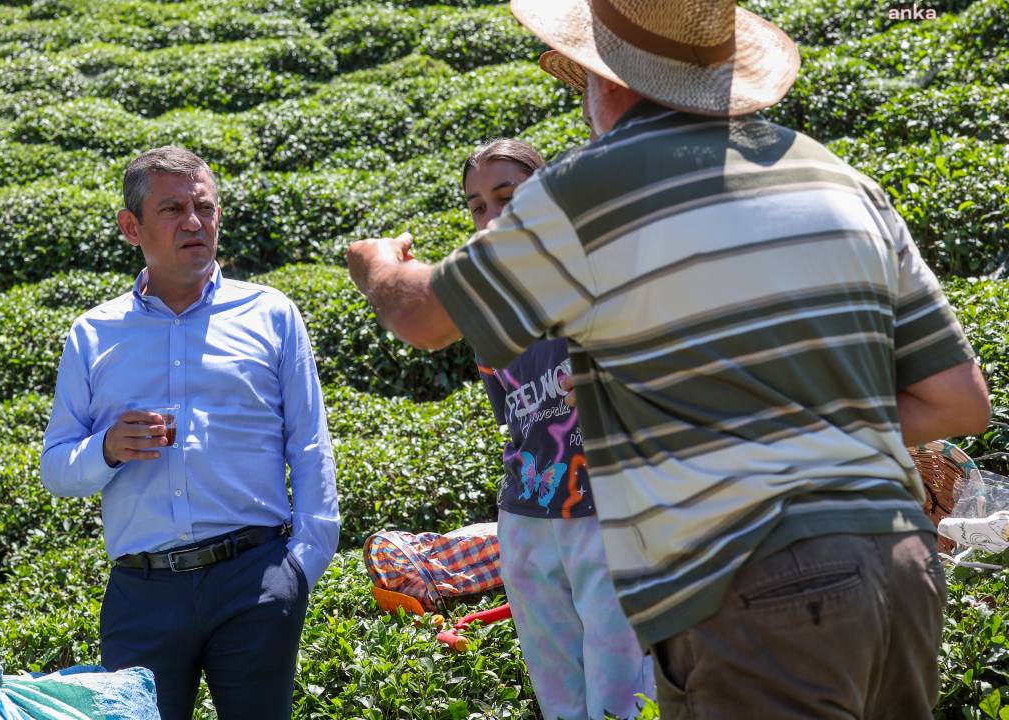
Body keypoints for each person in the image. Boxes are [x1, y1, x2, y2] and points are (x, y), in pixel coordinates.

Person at [346, 1, 991, 717]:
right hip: (901, 565)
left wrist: (377, 267)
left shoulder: (592, 189)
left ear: (607, 80)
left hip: (752, 582)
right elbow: (958, 401)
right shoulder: (839, 179)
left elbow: (422, 317)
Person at [41, 145, 339, 720]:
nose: (194, 222)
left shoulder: (271, 314)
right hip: (142, 592)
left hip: (254, 582)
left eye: (204, 206)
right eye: (172, 209)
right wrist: (106, 449)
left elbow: (309, 446)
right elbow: (56, 468)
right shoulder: (92, 334)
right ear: (132, 227)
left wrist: (300, 566)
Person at [461, 138, 652, 719]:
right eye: (476, 206)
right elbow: (514, 419)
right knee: (560, 701)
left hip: (609, 514)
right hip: (526, 518)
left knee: (624, 696)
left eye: (507, 196)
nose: (491, 215)